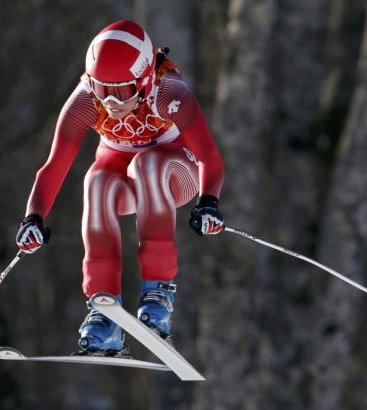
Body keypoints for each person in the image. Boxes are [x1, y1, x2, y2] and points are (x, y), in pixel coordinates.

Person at [16, 20, 225, 355]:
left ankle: (158, 294)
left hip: (175, 169)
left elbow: (209, 157)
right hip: (124, 175)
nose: (111, 102)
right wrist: (33, 218)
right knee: (96, 181)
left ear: (143, 80)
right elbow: (54, 166)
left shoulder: (169, 92)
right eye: (102, 89)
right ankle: (104, 311)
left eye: (121, 91)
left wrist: (209, 201)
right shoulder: (85, 102)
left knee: (148, 165)